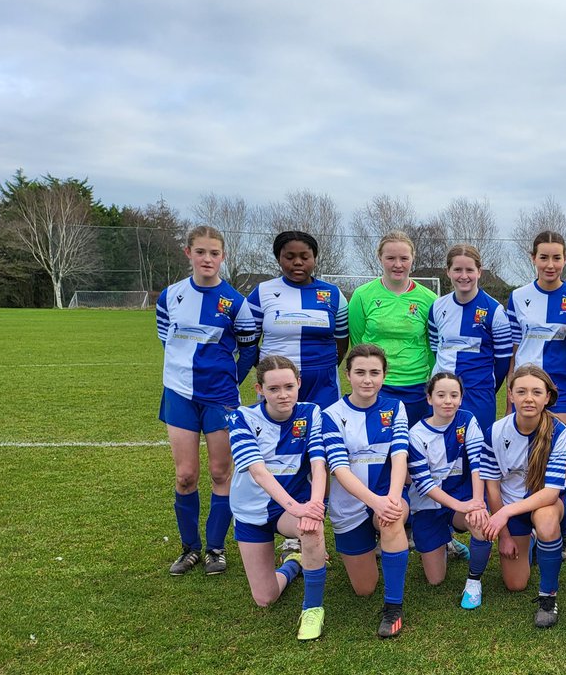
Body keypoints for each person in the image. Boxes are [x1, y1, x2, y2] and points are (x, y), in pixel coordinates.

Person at [156, 225, 258, 577]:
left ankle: (215, 548)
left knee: (220, 472)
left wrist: (229, 382)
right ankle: (189, 549)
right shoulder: (169, 296)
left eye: (214, 253)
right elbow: (167, 340)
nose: (208, 259)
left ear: (223, 256)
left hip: (220, 397)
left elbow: (247, 351)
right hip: (180, 394)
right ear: (188, 253)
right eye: (201, 252)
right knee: (185, 475)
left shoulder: (236, 302)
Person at [228, 356, 328, 641]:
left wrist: (313, 507)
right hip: (251, 512)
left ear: (299, 383)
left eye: (288, 386)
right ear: (259, 389)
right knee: (266, 598)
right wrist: (298, 506)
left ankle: (313, 609)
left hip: (288, 512)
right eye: (273, 389)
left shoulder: (311, 413)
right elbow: (258, 472)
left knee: (311, 528)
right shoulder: (241, 417)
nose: (283, 395)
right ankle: (295, 563)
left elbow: (319, 464)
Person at [506, 231, 566, 560]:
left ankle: (559, 535)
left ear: (565, 259)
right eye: (544, 257)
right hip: (525, 390)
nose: (550, 264)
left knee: (560, 466)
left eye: (556, 257)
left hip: (562, 392)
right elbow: (513, 350)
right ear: (533, 258)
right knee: (527, 462)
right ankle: (529, 528)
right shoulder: (518, 296)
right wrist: (510, 395)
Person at [320, 344, 412, 639]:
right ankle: (376, 548)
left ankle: (393, 608)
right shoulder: (331, 415)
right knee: (364, 589)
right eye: (360, 372)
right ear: (348, 375)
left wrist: (392, 500)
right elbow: (339, 468)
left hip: (387, 495)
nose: (367, 379)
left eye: (375, 373)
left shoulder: (395, 408)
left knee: (392, 518)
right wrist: (374, 502)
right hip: (349, 505)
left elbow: (400, 456)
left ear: (384, 376)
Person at [479, 364, 566, 628]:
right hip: (510, 506)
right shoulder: (496, 431)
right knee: (515, 584)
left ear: (547, 397)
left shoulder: (558, 430)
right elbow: (492, 488)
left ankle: (547, 597)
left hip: (544, 501)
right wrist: (505, 535)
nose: (528, 398)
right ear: (510, 395)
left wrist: (505, 514)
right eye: (521, 391)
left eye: (536, 392)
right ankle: (530, 540)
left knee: (544, 520)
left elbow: (551, 492)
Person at [408, 371, 492, 608]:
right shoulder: (416, 435)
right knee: (435, 580)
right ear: (429, 398)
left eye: (454, 395)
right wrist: (460, 506)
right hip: (429, 506)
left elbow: (478, 462)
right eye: (441, 395)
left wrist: (477, 502)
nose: (448, 401)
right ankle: (446, 541)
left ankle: (474, 582)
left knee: (478, 522)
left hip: (463, 499)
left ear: (461, 398)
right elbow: (424, 484)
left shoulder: (467, 420)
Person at [245, 231, 349, 409]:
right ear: (279, 259)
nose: (298, 262)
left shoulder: (333, 294)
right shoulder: (261, 292)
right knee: (278, 434)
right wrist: (269, 370)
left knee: (323, 434)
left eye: (305, 256)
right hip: (279, 383)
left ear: (314, 258)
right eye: (289, 257)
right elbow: (248, 343)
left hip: (323, 384)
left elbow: (342, 342)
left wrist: (323, 367)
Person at [347, 231, 438, 425]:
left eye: (404, 258)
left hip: (416, 386)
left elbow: (432, 347)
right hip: (376, 385)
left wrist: (429, 380)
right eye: (390, 258)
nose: (398, 264)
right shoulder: (362, 296)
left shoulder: (429, 299)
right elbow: (357, 344)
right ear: (380, 258)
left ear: (413, 259)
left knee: (413, 448)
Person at [428, 244, 513, 432]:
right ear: (448, 271)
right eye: (457, 269)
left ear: (479, 272)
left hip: (478, 395)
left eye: (469, 270)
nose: (464, 276)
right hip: (442, 393)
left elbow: (503, 360)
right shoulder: (436, 307)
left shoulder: (495, 311)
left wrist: (484, 387)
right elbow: (436, 347)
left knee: (476, 454)